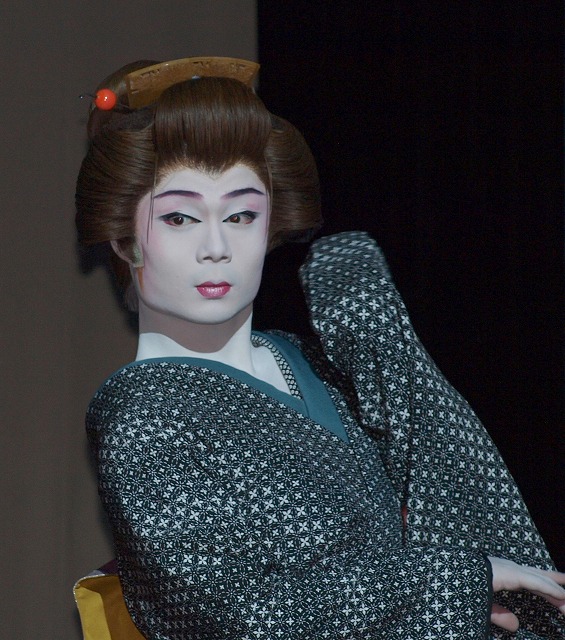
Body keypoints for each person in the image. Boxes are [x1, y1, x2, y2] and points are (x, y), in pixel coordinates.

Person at [76, 57, 565, 639]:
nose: (216, 246)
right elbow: (249, 615)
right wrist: (455, 582)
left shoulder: (309, 361)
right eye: (179, 218)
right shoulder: (144, 418)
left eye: (241, 214)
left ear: (271, 224)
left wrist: (387, 348)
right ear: (124, 237)